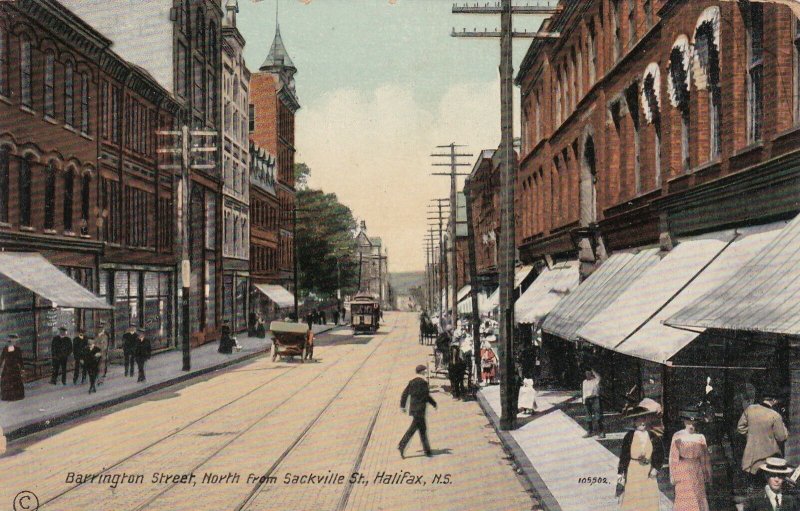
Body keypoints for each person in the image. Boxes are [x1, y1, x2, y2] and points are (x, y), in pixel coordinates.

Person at [617, 401, 664, 511]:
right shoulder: (629, 437)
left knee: (649, 501)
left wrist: (656, 468)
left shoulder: (653, 436)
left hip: (648, 473)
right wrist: (620, 475)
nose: (642, 422)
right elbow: (623, 457)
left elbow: (660, 454)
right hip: (633, 471)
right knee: (633, 499)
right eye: (639, 419)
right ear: (634, 421)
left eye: (644, 418)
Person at [738, 389, 789, 489]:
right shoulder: (775, 415)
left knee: (753, 488)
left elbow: (740, 428)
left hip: (751, 458)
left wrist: (752, 436)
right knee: (767, 488)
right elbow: (781, 437)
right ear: (774, 400)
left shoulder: (750, 409)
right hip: (769, 459)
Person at [669, 408, 712, 511]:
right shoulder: (678, 436)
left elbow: (704, 458)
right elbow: (673, 457)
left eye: (693, 423)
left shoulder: (700, 437)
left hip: (697, 469)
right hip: (683, 469)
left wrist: (707, 473)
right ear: (684, 422)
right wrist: (672, 474)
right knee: (685, 496)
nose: (691, 425)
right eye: (689, 422)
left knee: (698, 495)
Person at [398, 364, 437, 458]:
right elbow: (426, 396)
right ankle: (401, 445)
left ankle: (427, 451)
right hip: (420, 410)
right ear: (422, 372)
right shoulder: (423, 382)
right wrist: (433, 403)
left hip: (414, 409)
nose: (426, 372)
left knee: (422, 429)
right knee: (413, 430)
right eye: (425, 371)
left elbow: (404, 394)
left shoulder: (412, 382)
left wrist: (402, 406)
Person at [582, 367, 605, 438]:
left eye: (589, 373)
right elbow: (584, 392)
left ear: (592, 374)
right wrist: (584, 401)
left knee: (598, 417)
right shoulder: (584, 382)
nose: (587, 375)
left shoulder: (596, 380)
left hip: (595, 399)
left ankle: (601, 432)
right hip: (587, 400)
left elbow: (599, 376)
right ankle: (590, 431)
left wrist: (592, 369)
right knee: (588, 417)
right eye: (586, 373)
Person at [1, 334, 24, 401]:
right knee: (7, 382)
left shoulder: (17, 349)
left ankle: (16, 396)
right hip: (7, 369)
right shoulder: (5, 349)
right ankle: (8, 397)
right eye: (12, 341)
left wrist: (22, 368)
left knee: (15, 382)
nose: (14, 342)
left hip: (15, 369)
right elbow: (1, 359)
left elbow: (20, 360)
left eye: (15, 341)